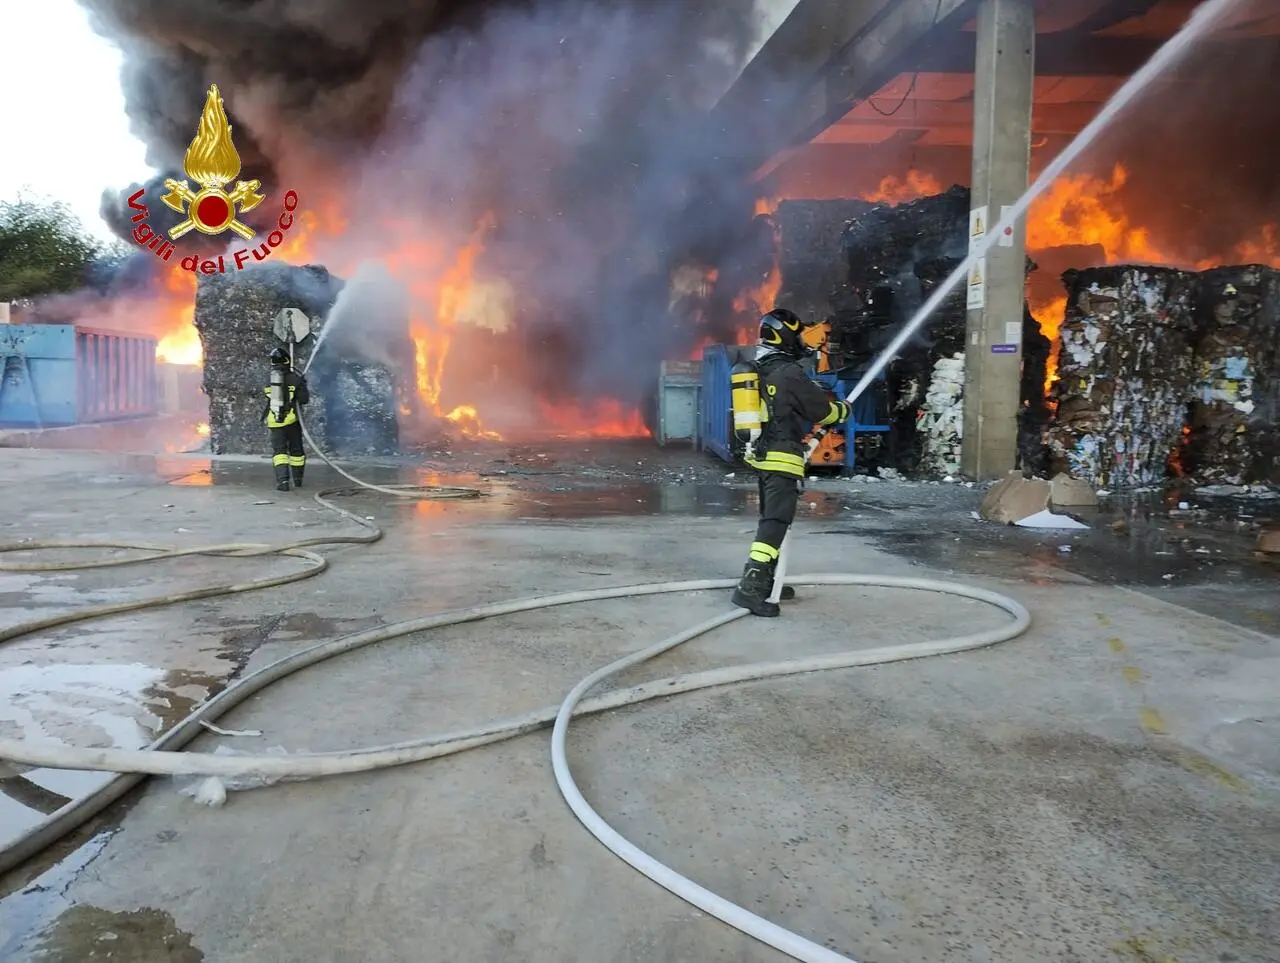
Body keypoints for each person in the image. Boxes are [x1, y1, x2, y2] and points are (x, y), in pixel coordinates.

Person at [731, 308, 850, 618]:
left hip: (762, 456)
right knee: (776, 521)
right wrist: (843, 410)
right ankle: (751, 587)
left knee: (772, 518)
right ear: (785, 337)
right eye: (796, 335)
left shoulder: (759, 368)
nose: (800, 341)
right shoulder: (788, 372)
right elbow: (821, 411)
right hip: (782, 457)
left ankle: (768, 581)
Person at [262, 347, 310, 492]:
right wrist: (302, 384)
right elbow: (304, 399)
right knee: (296, 451)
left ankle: (282, 481)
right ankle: (298, 480)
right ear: (287, 360)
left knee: (279, 452)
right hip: (292, 420)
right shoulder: (295, 379)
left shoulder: (269, 380)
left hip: (274, 421)